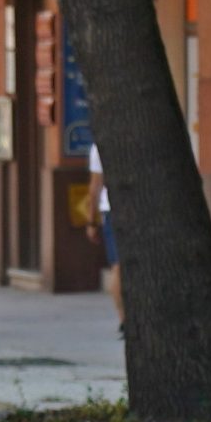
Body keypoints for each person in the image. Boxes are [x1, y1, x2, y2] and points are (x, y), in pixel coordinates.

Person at [83, 140, 121, 329]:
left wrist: (92, 221)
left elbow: (95, 186)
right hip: (138, 210)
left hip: (110, 209)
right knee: (120, 269)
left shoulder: (101, 144)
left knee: (118, 268)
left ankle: (124, 320)